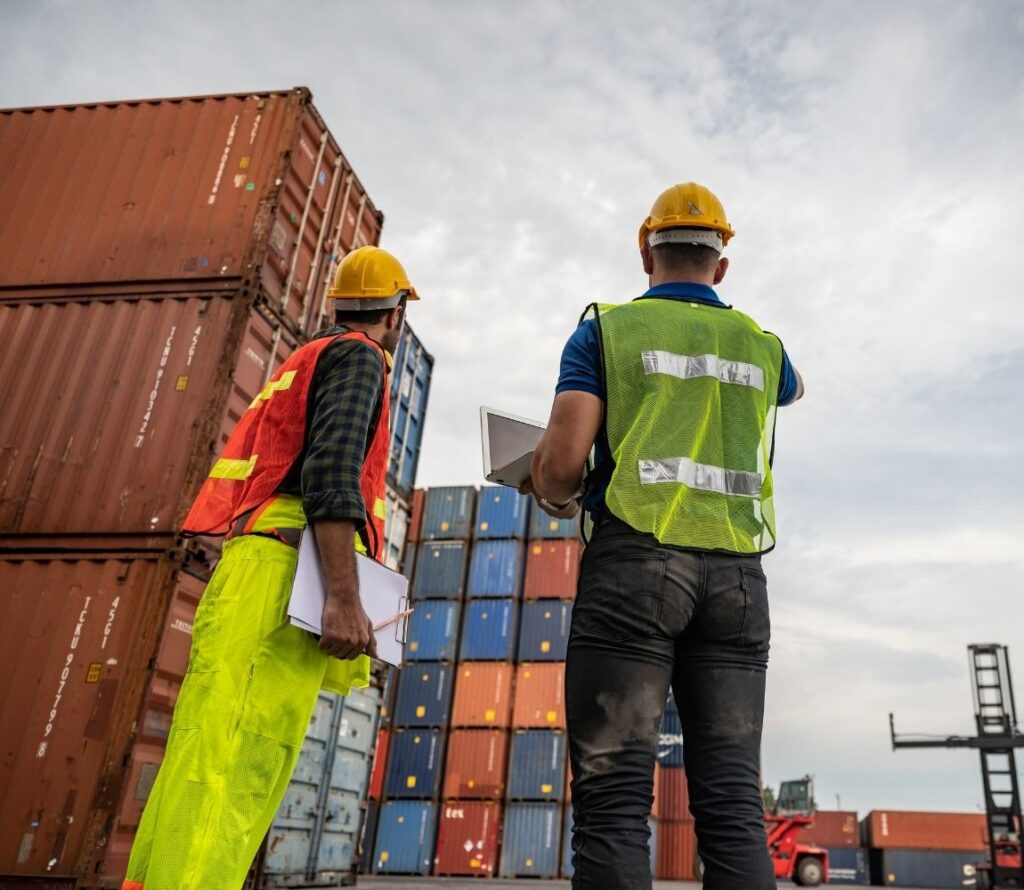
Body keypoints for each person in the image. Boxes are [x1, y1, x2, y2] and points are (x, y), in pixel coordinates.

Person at [524, 183, 803, 890]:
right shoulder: (763, 346)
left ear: (646, 248)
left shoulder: (606, 330)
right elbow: (793, 388)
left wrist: (554, 486)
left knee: (615, 803)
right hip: (739, 583)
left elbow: (558, 469)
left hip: (636, 573)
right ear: (722, 264)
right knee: (734, 803)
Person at [121, 245, 418, 890]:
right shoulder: (361, 358)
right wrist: (343, 596)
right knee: (240, 764)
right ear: (393, 313)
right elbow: (332, 474)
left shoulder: (304, 360)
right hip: (283, 577)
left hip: (255, 564)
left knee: (205, 754)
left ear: (338, 303)